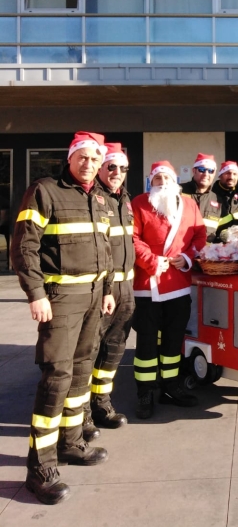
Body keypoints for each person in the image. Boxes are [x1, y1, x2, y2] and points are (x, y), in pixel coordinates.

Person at [11, 131, 114, 505]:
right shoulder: (45, 190)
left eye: (94, 159)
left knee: (82, 369)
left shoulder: (99, 197)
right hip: (61, 298)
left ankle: (71, 443)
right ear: (70, 159)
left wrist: (105, 291)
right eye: (82, 157)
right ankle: (41, 467)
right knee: (56, 375)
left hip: (92, 297)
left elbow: (104, 248)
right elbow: (24, 246)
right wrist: (36, 294)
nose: (89, 164)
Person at [132, 161, 206, 419]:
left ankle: (170, 387)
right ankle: (144, 391)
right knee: (147, 343)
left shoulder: (190, 204)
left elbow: (199, 236)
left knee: (174, 340)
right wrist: (151, 260)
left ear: (175, 181)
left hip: (178, 284)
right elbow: (133, 238)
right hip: (147, 285)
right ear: (151, 182)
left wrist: (186, 258)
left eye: (167, 177)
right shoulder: (139, 203)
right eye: (157, 178)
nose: (162, 182)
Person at [82, 143, 135, 442]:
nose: (117, 173)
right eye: (111, 167)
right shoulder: (94, 198)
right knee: (89, 352)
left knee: (114, 352)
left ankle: (102, 405)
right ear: (101, 168)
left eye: (123, 168)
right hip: (103, 290)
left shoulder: (123, 200)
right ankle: (83, 415)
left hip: (125, 290)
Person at [181, 153, 221, 241]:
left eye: (211, 171)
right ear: (194, 171)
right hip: (182, 252)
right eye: (202, 169)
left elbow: (220, 231)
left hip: (207, 252)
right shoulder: (178, 192)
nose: (206, 174)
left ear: (214, 174)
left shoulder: (218, 199)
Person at [212, 160, 238, 237]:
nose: (231, 177)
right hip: (218, 244)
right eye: (227, 173)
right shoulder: (210, 196)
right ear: (220, 175)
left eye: (235, 174)